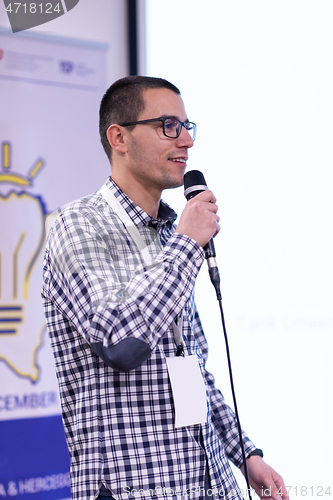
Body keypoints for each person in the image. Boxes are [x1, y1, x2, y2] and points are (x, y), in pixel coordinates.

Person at [42, 76, 288, 500]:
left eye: (189, 126)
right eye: (168, 125)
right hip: (136, 488)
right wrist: (188, 244)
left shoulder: (169, 234)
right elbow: (120, 342)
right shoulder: (78, 225)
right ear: (119, 137)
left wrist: (245, 453)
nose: (187, 140)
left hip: (209, 482)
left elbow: (188, 367)